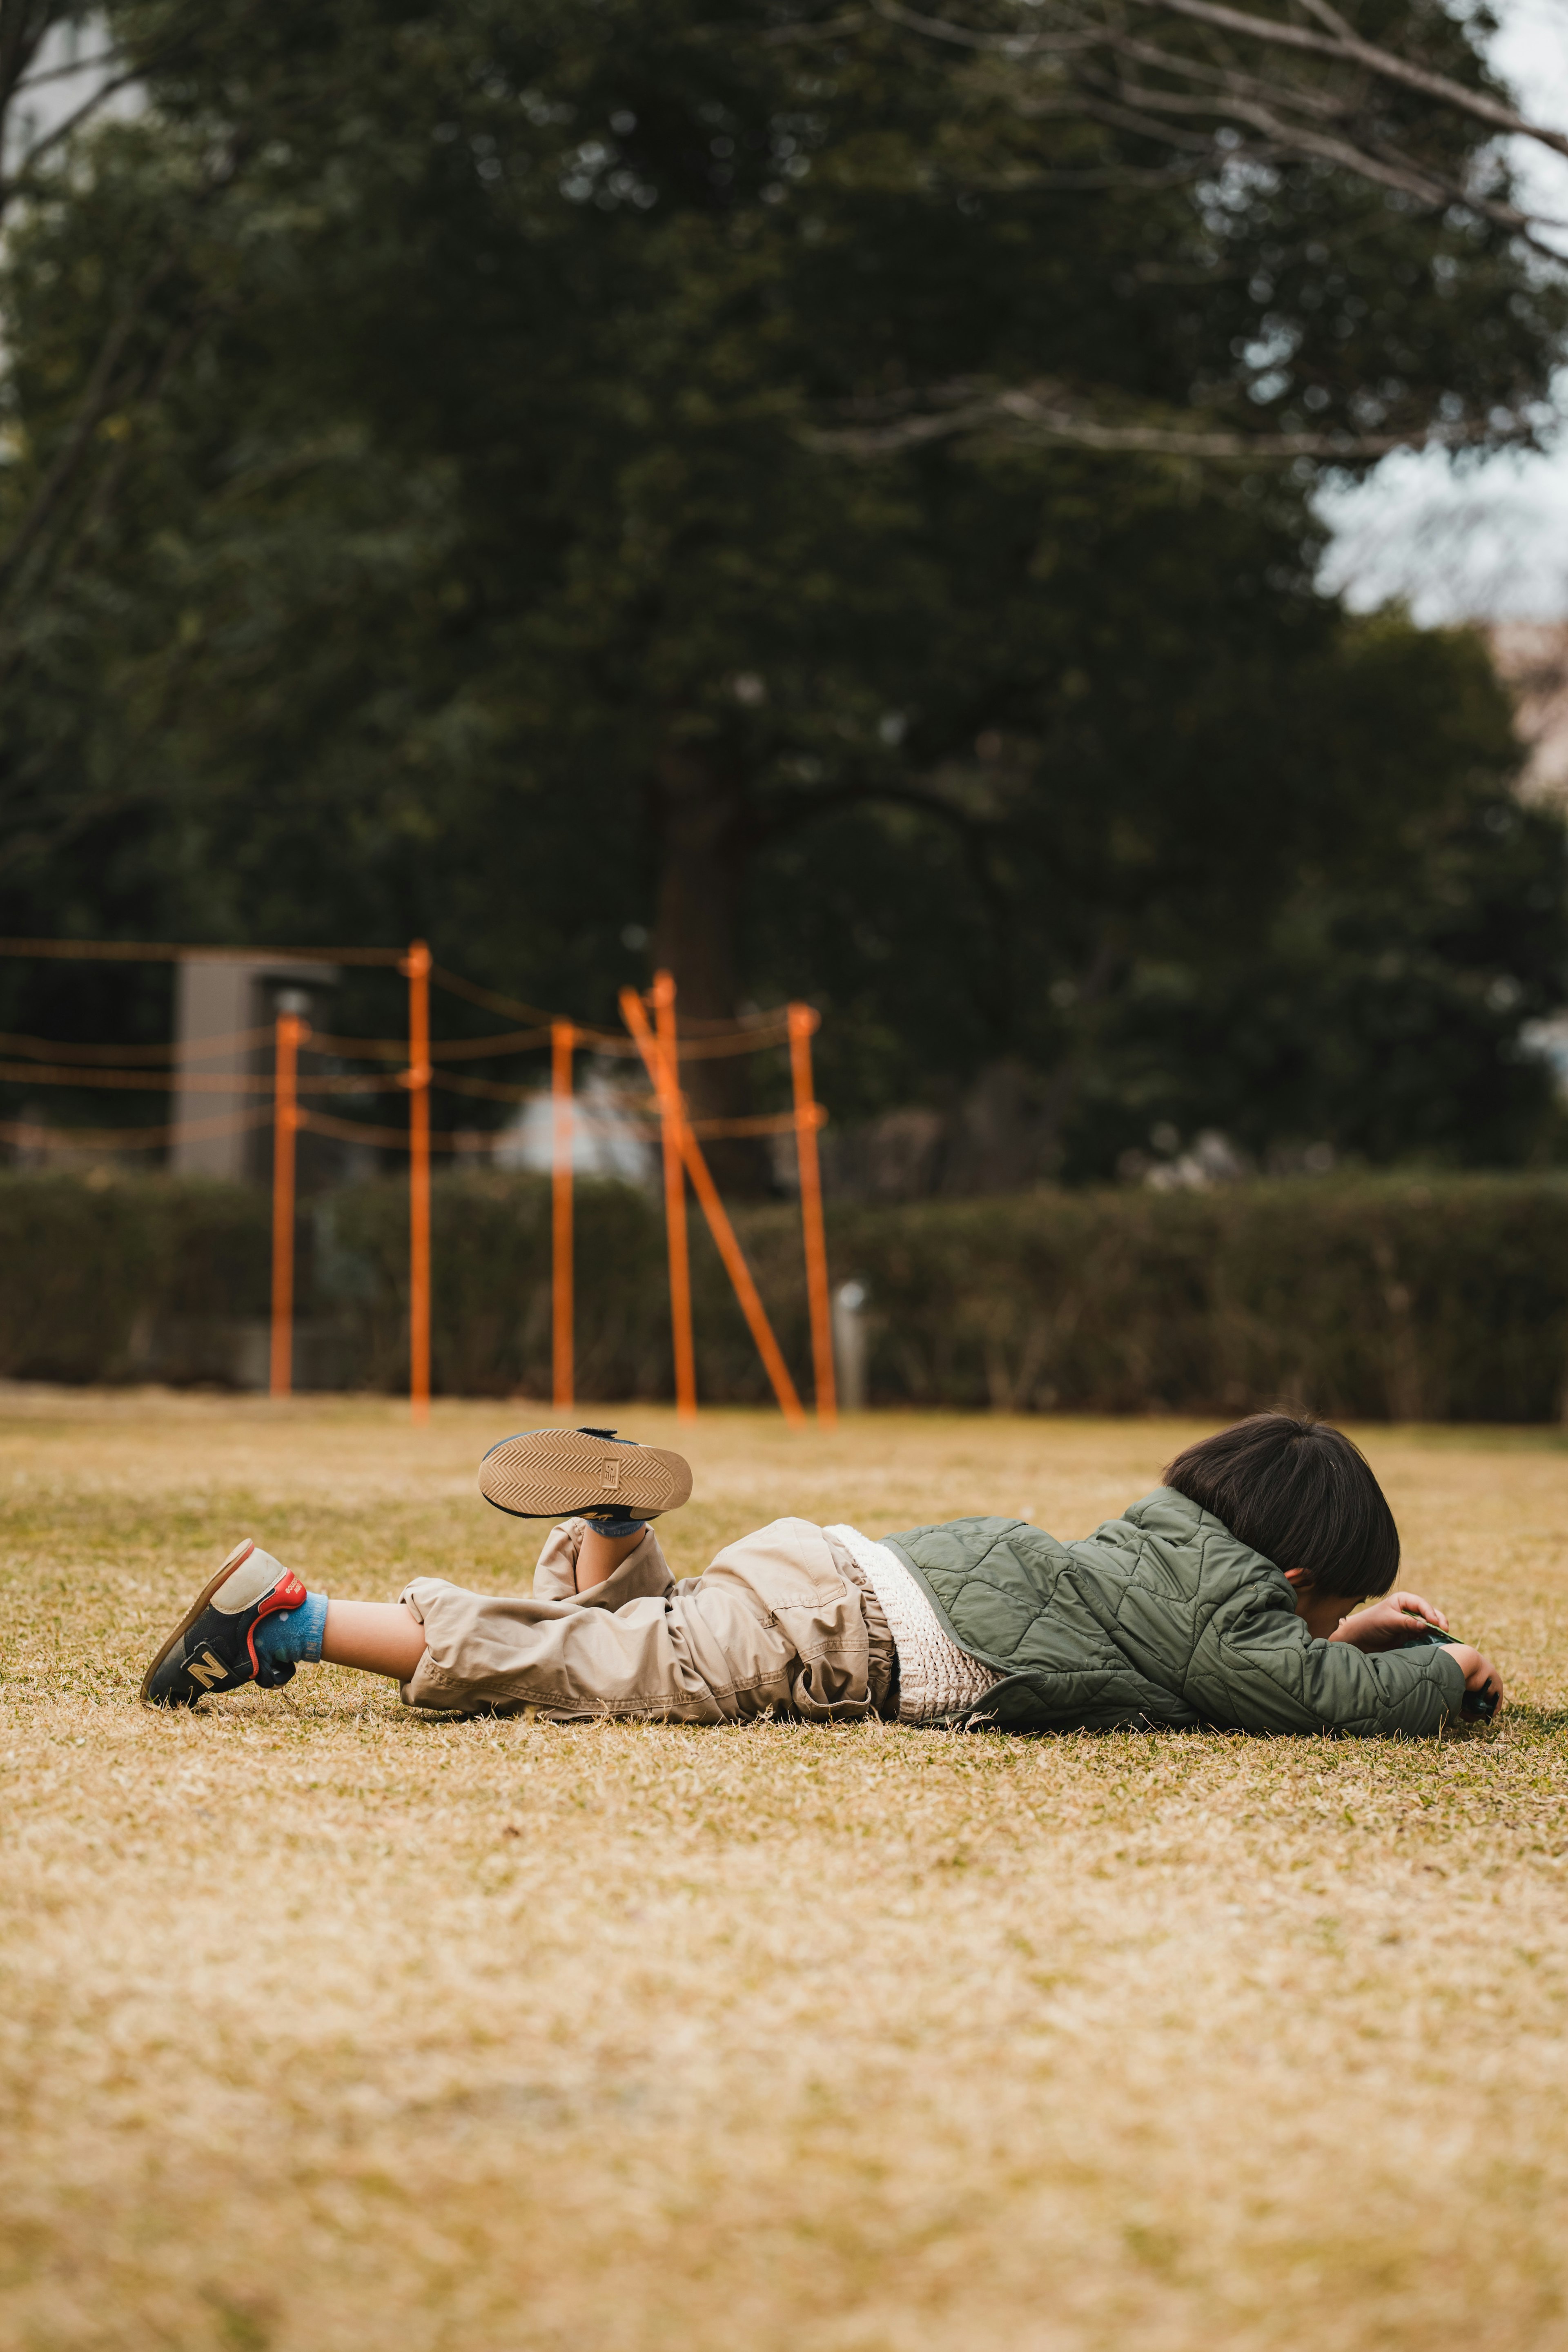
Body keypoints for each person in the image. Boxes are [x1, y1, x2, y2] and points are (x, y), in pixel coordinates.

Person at [139, 1412, 1504, 1735]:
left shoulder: (1160, 1552)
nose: (1320, 1635)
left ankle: (615, 1530)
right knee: (617, 1669)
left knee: (649, 1630)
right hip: (850, 1634)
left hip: (828, 1568)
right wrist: (1443, 1675)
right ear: (1293, 1570)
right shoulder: (1229, 1619)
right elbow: (1296, 1690)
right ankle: (294, 1621)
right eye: (1324, 1606)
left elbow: (1273, 1649)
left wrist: (1354, 1625)